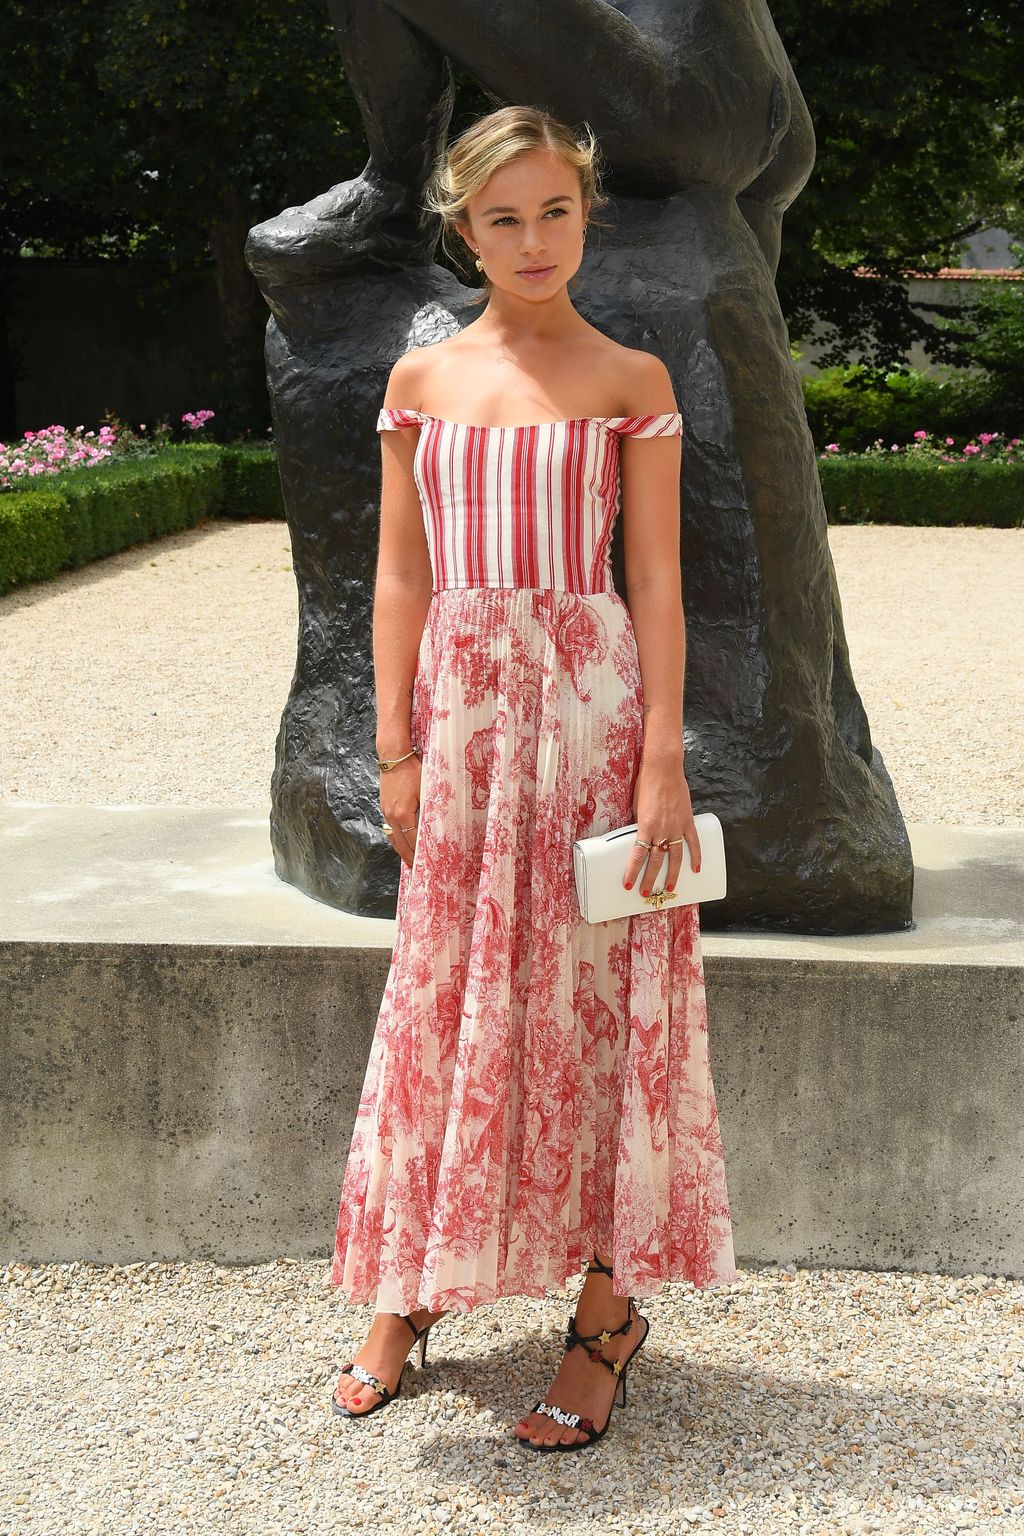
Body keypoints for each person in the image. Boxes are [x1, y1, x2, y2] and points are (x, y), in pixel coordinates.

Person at [328, 103, 736, 1452]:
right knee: (442, 986)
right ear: (464, 229)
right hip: (461, 726)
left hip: (592, 720)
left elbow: (658, 579)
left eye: (556, 210)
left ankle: (606, 1314)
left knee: (602, 1002)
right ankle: (410, 1285)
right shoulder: (421, 380)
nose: (534, 239)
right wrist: (393, 749)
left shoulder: (631, 377)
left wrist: (664, 758)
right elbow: (398, 574)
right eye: (504, 217)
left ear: (586, 213)